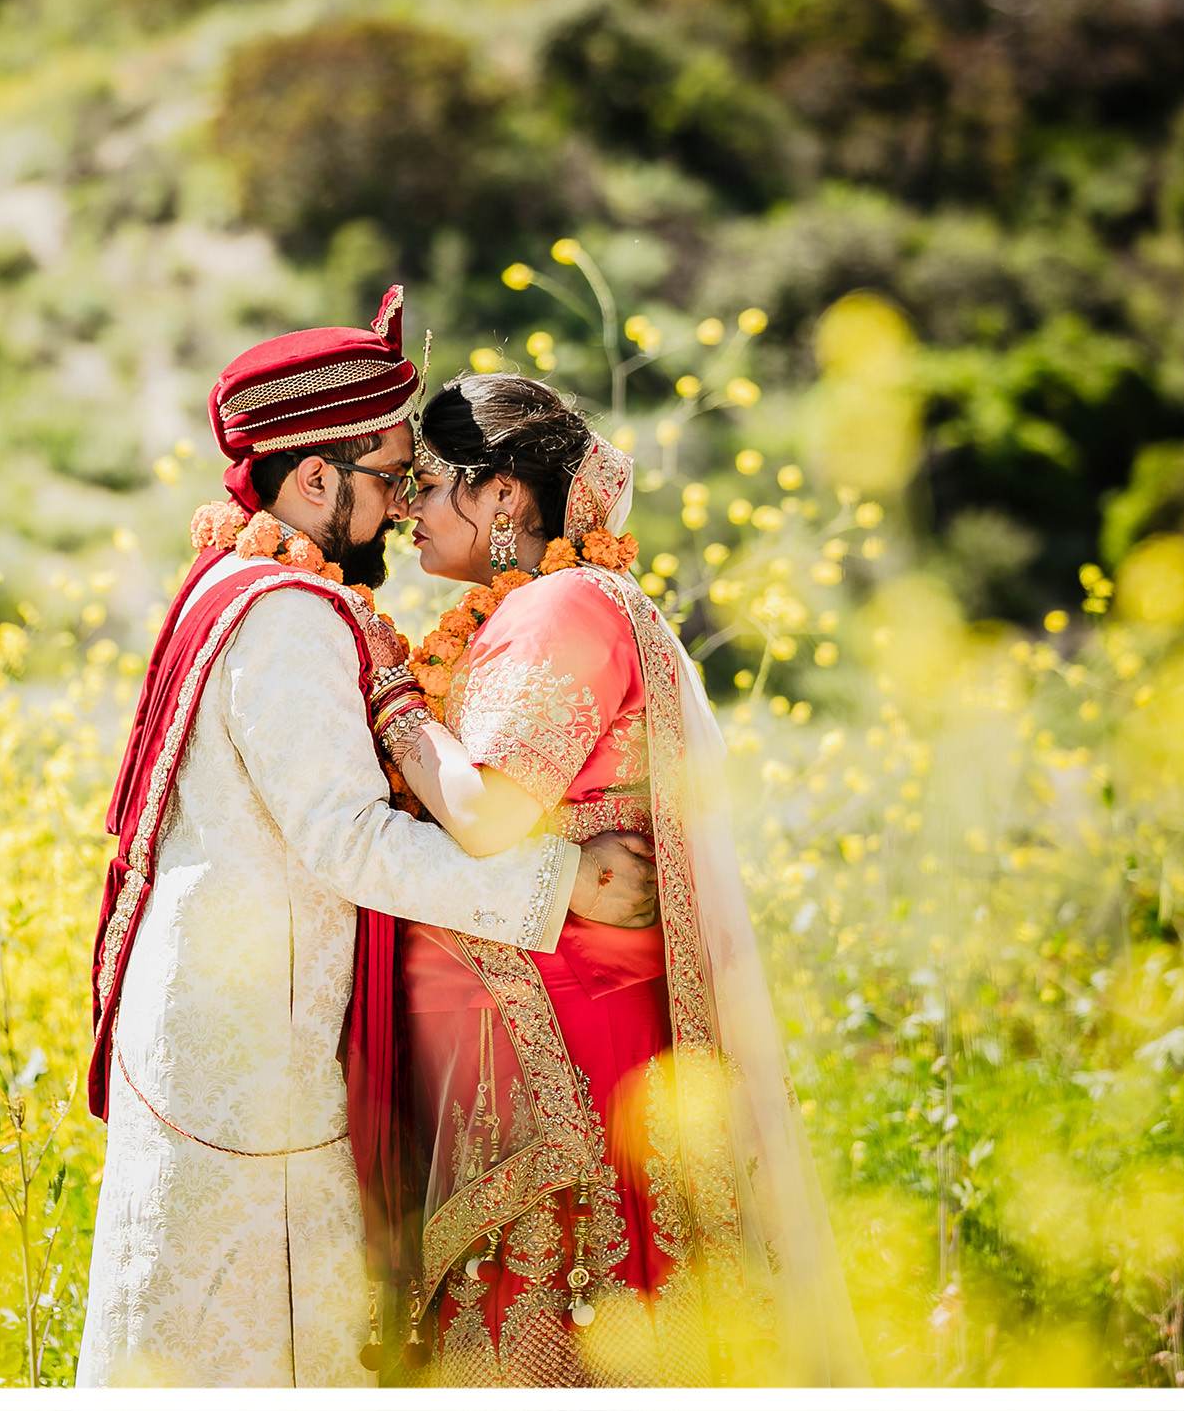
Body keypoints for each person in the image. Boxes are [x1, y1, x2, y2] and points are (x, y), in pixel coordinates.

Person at [76, 290, 659, 1387]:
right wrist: (557, 887)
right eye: (391, 475)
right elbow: (348, 841)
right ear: (311, 481)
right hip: (252, 1071)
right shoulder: (290, 613)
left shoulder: (235, 584)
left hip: (224, 1043)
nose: (398, 507)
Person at [350, 370, 868, 1386]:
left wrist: (392, 698)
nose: (405, 507)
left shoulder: (560, 607)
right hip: (551, 1034)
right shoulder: (557, 603)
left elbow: (489, 814)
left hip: (564, 1057)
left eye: (427, 480)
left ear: (503, 495)